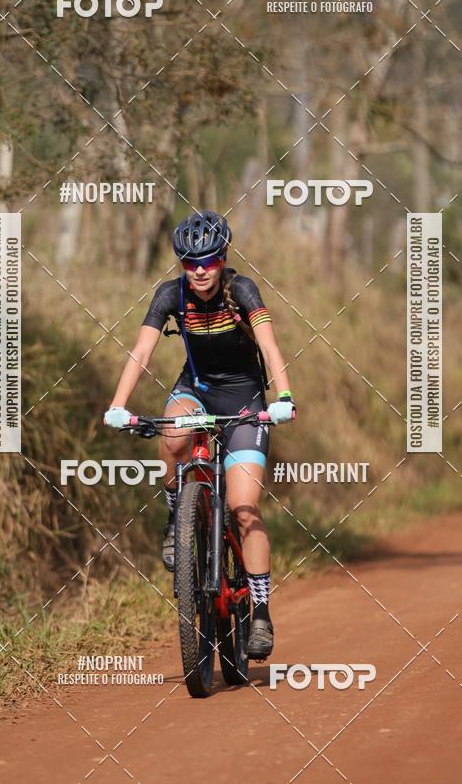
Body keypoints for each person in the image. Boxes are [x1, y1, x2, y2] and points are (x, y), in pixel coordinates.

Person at [104, 210, 295, 659]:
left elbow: (269, 346)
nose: (201, 270)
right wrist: (117, 405)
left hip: (245, 397)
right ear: (182, 265)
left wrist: (283, 397)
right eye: (191, 262)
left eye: (209, 260)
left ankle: (262, 613)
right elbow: (142, 349)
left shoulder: (242, 290)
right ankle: (176, 516)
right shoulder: (170, 295)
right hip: (196, 389)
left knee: (243, 508)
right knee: (172, 437)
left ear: (223, 256)